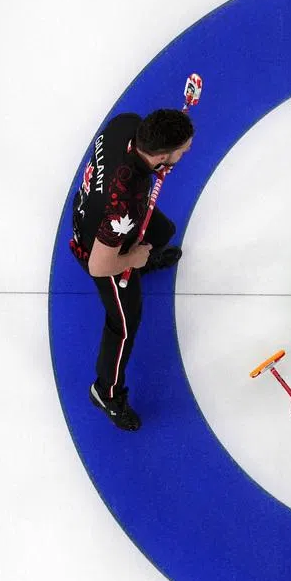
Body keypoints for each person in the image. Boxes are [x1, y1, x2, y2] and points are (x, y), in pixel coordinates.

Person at [68, 109, 194, 431]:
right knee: (124, 322)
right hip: (99, 246)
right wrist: (132, 259)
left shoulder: (127, 124)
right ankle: (106, 393)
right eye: (184, 150)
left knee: (162, 232)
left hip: (94, 209)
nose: (188, 152)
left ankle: (145, 259)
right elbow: (99, 265)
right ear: (162, 157)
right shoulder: (127, 202)